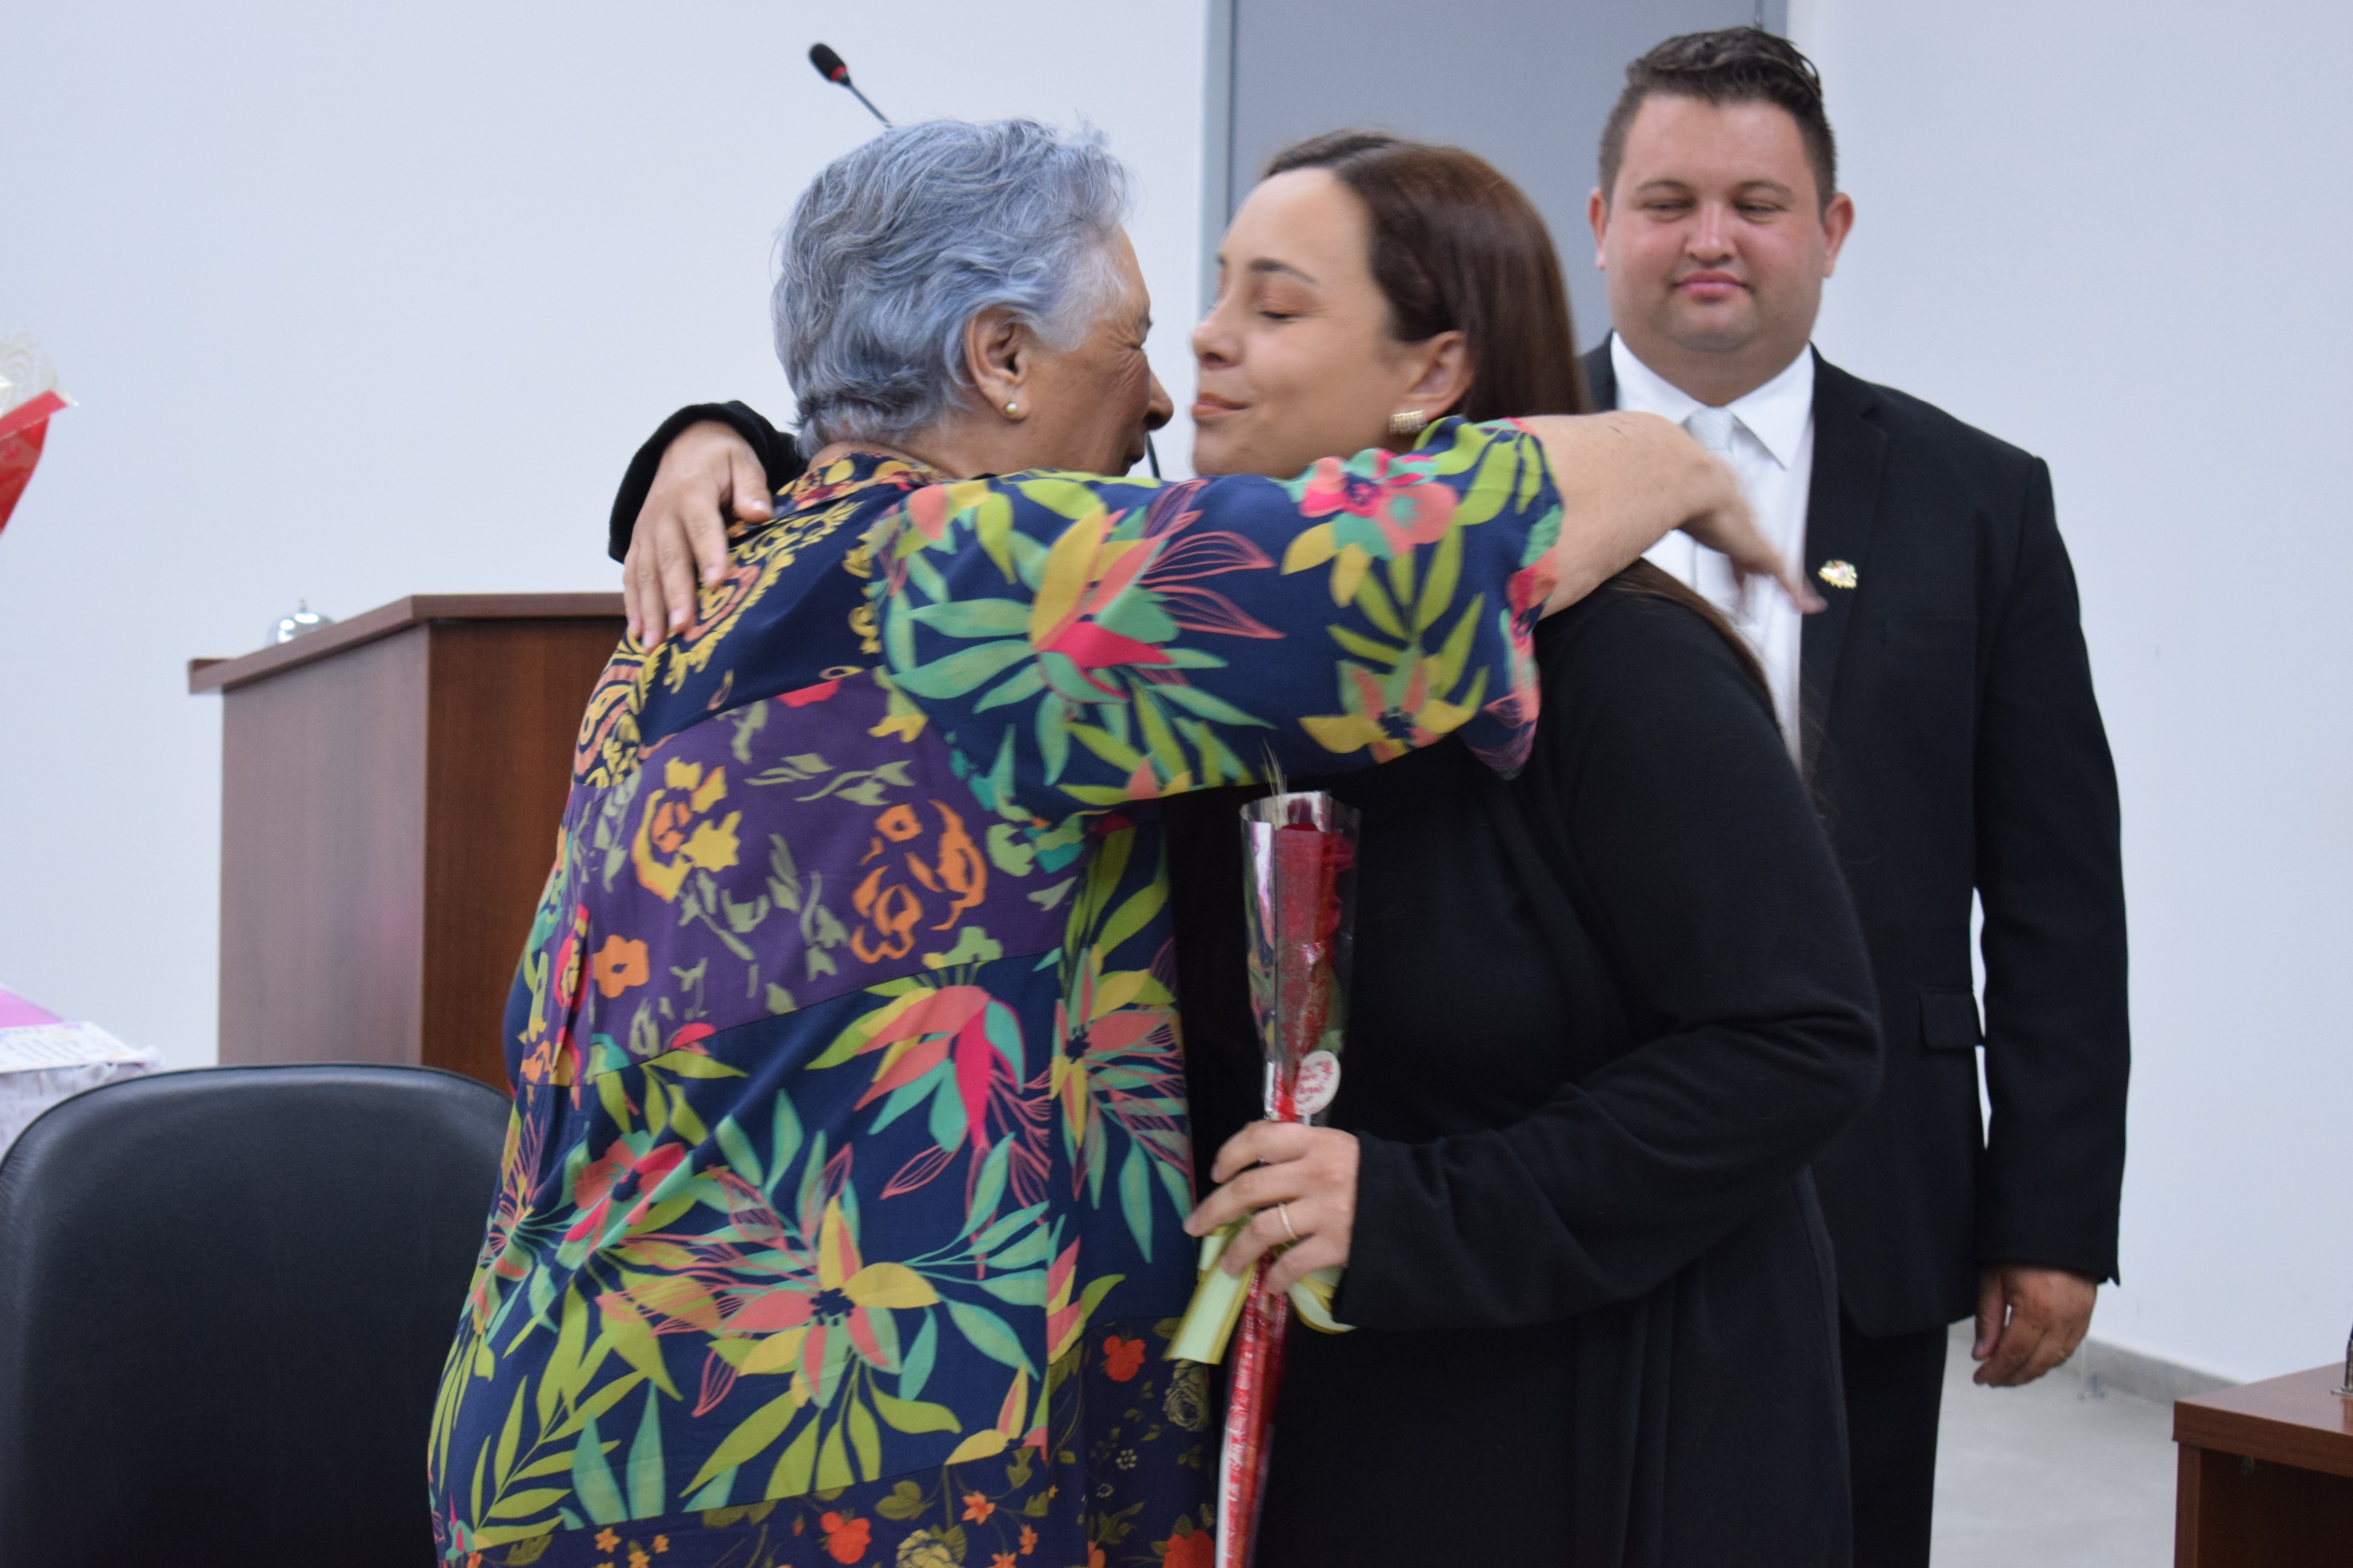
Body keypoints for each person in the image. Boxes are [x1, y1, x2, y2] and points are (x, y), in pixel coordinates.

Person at [434, 118, 1775, 1567]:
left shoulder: (709, 598)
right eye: (1130, 340)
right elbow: (1424, 559)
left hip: (572, 1432)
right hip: (811, 1475)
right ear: (1002, 357)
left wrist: (711, 436)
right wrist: (1668, 446)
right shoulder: (979, 581)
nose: (1160, 394)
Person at [1167, 132, 1879, 1566]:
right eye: (1219, 286)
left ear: (1434, 371)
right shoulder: (1216, 661)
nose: (1207, 336)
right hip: (1349, 1421)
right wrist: (723, 443)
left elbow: (1798, 1038)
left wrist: (1415, 1210)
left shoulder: (1623, 670)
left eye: (1276, 303)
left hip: (1598, 1433)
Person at [1582, 29, 2131, 1566]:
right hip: (1544, 1174)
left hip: (1867, 1192)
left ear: (1829, 230)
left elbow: (2055, 883)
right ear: (1600, 222)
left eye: (1755, 204)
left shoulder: (1979, 501)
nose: (1709, 238)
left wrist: (2050, 1212)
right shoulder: (1472, 472)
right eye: (1668, 200)